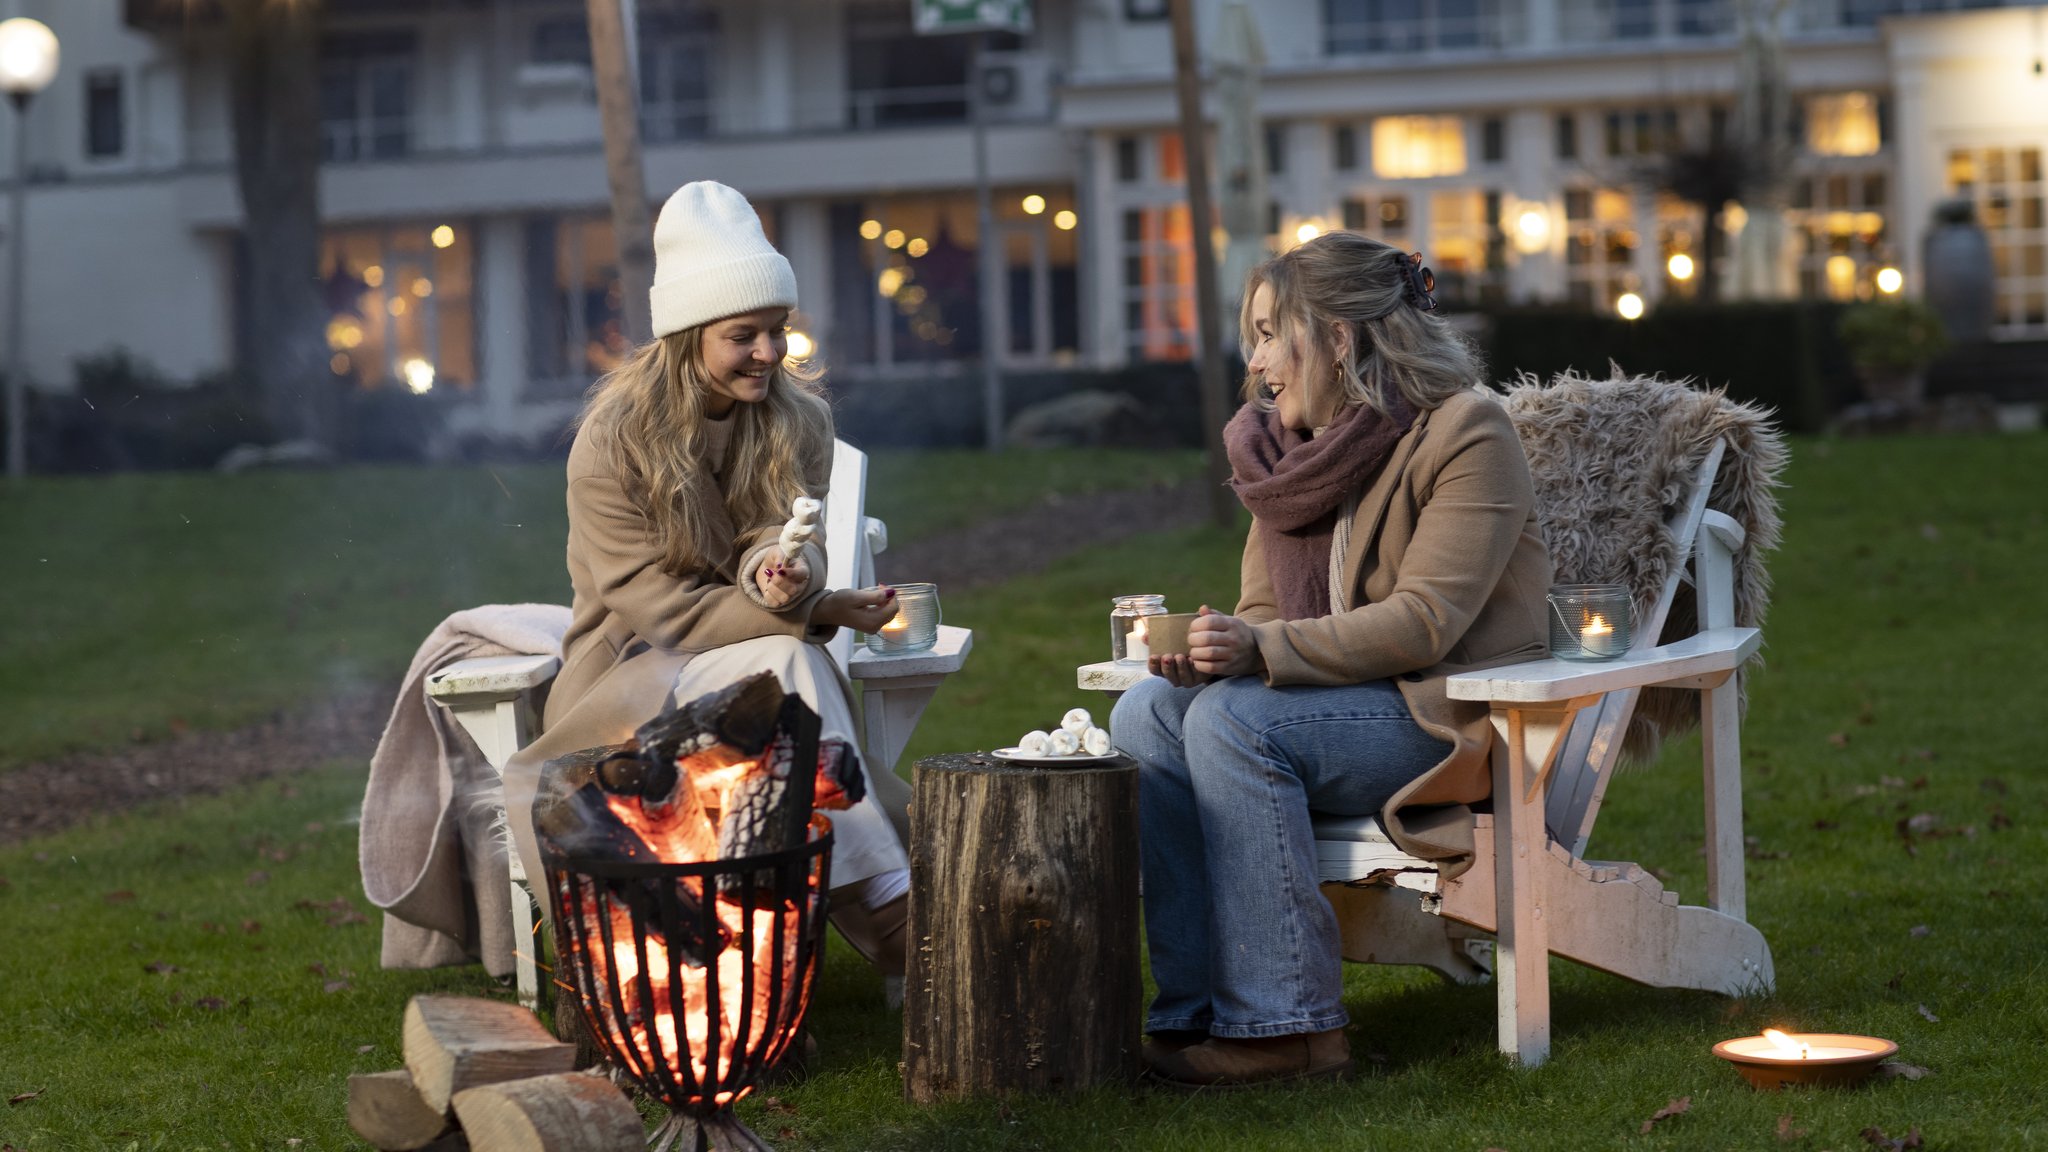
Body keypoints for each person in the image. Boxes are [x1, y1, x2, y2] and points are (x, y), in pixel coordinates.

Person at [1111, 232, 1553, 1088]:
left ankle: (1290, 1030)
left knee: (1239, 723)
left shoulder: (1466, 430)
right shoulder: (1285, 457)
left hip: (1447, 716)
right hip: (1332, 707)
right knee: (1148, 713)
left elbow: (1425, 621)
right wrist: (1216, 653)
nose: (1255, 362)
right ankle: (1194, 1011)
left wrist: (1259, 653)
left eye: (1270, 334)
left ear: (1339, 339)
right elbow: (1263, 612)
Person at [501, 180, 912, 986]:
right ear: (688, 336)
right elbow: (661, 612)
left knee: (784, 664)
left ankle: (828, 937)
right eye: (742, 335)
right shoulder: (612, 443)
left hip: (752, 661)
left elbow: (792, 534)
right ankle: (890, 904)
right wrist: (809, 613)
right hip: (632, 680)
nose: (769, 352)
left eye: (777, 330)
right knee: (790, 659)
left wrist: (788, 575)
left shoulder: (798, 419)